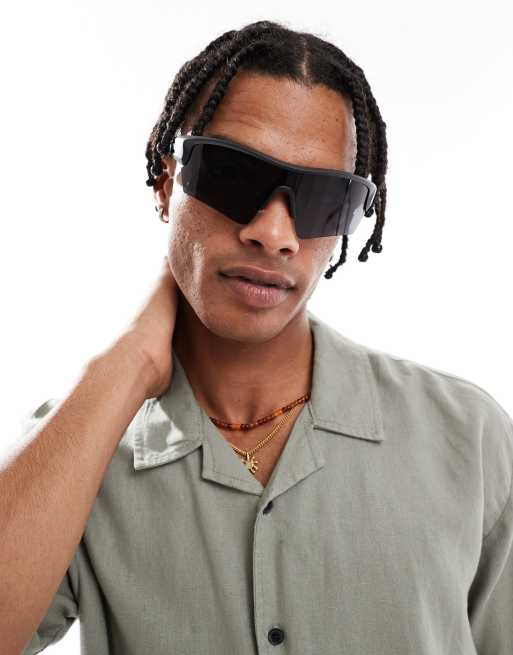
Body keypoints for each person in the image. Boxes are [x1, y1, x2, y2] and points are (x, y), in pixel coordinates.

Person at [2, 19, 512, 655]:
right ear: (166, 181)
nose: (274, 234)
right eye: (233, 175)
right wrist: (124, 365)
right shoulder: (79, 452)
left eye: (323, 197)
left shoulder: (469, 441)